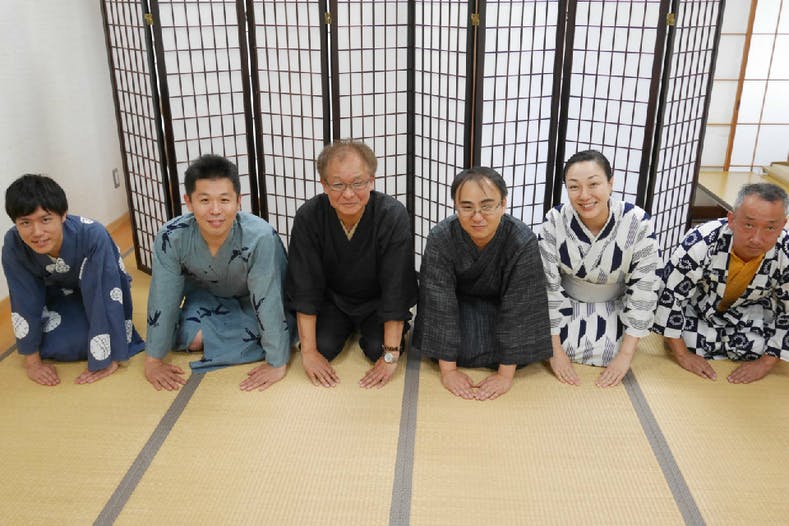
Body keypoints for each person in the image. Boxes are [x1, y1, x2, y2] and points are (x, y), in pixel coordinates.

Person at [143, 154, 293, 391]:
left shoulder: (259, 237)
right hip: (208, 299)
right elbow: (163, 296)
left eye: (224, 200)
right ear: (189, 202)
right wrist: (153, 360)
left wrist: (277, 362)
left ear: (238, 201)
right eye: (204, 200)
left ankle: (266, 343)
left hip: (254, 305)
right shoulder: (172, 236)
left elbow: (269, 299)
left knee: (275, 331)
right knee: (193, 338)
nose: (215, 210)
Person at [286, 140, 418, 389]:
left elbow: (396, 285)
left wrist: (391, 355)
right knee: (321, 347)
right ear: (324, 185)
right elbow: (305, 284)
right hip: (333, 301)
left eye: (358, 183)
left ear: (371, 181)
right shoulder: (309, 216)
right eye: (338, 184)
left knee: (377, 350)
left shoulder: (392, 215)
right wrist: (309, 352)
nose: (348, 194)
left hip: (377, 302)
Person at [412, 167, 551, 400]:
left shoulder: (521, 240)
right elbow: (439, 301)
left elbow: (520, 305)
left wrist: (505, 375)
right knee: (449, 334)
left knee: (518, 341)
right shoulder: (441, 237)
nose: (477, 217)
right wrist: (449, 371)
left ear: (503, 204)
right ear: (456, 206)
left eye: (487, 206)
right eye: (467, 207)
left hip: (502, 310)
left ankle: (504, 359)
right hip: (458, 310)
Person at [2, 174, 145, 385]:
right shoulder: (14, 243)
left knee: (90, 338)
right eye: (25, 223)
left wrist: (109, 356)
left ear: (63, 215)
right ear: (15, 223)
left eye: (45, 219)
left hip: (102, 288)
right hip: (58, 292)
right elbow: (23, 297)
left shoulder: (92, 235)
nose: (37, 232)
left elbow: (106, 291)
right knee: (66, 342)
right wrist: (32, 362)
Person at [539, 150, 661, 387]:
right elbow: (547, 285)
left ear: (610, 183)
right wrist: (555, 351)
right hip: (566, 305)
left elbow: (645, 287)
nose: (584, 195)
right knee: (549, 344)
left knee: (613, 349)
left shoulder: (637, 222)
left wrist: (625, 356)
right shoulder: (555, 220)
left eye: (593, 184)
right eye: (574, 187)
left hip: (616, 305)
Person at [653, 182, 789, 383]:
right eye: (749, 225)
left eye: (770, 228)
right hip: (701, 309)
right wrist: (682, 354)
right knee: (688, 340)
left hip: (749, 312)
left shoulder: (786, 252)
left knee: (763, 346)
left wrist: (765, 363)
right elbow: (671, 295)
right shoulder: (701, 241)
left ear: (782, 225)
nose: (757, 239)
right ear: (732, 219)